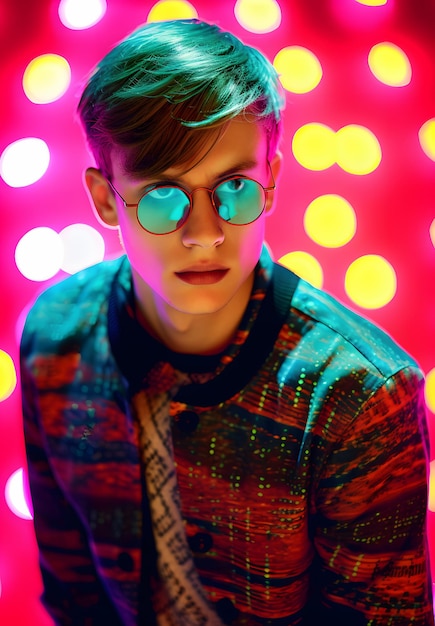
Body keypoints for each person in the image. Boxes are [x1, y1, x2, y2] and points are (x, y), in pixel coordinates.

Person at [20, 18, 433, 626]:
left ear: (271, 182)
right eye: (164, 195)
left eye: (233, 187)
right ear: (105, 200)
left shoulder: (358, 397)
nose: (206, 234)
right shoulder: (53, 340)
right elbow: (72, 593)